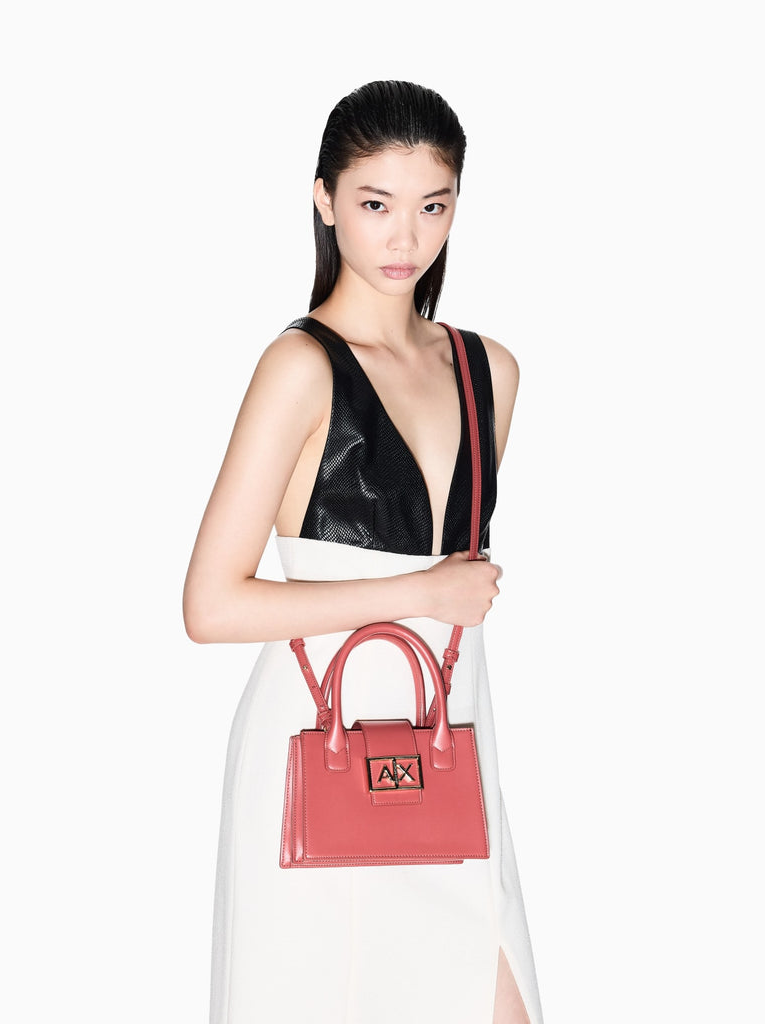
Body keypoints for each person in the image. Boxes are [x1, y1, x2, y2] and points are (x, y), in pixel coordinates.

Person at [184, 80, 543, 1024]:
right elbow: (211, 605)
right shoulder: (299, 367)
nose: (404, 238)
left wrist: (435, 595)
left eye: (432, 206)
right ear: (324, 200)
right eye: (375, 205)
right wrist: (420, 591)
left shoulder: (489, 371)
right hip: (317, 754)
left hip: (450, 747)